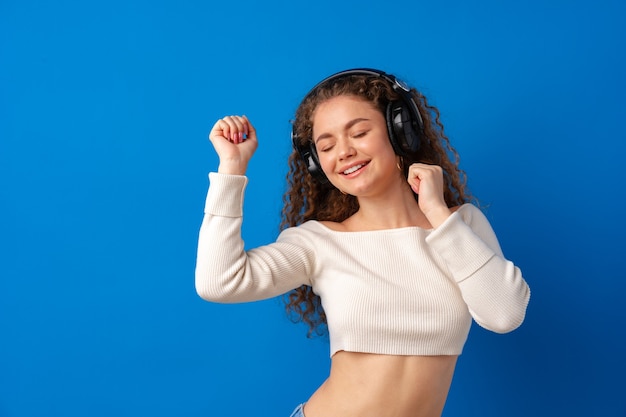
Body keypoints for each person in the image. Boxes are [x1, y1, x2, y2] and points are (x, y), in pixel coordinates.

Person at [196, 68, 530, 417]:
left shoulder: (460, 226)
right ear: (316, 164)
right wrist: (231, 168)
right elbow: (219, 283)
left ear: (401, 131)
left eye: (359, 133)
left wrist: (435, 210)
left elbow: (504, 314)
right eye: (326, 146)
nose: (343, 152)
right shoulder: (318, 242)